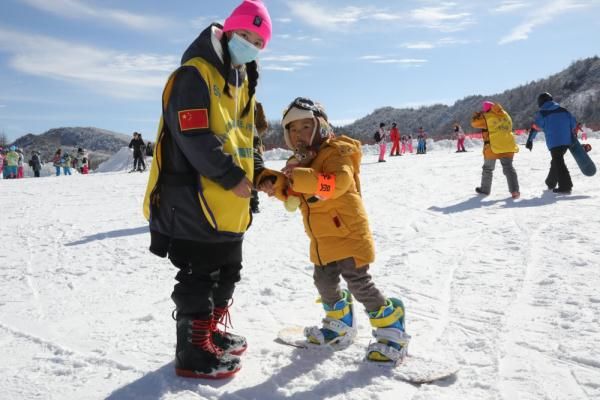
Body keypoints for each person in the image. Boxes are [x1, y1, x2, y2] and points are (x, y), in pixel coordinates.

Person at [141, 0, 272, 379]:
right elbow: (192, 135)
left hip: (231, 202)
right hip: (195, 196)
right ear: (229, 30)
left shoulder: (242, 76)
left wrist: (258, 174)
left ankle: (209, 332)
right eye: (246, 35)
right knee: (201, 274)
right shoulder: (193, 75)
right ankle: (192, 351)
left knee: (228, 269)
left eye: (259, 42)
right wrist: (232, 176)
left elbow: (247, 137)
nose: (251, 45)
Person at [258, 97, 410, 363]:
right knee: (324, 282)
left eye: (306, 127)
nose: (299, 134)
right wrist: (275, 183)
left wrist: (302, 177)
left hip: (348, 232)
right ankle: (339, 325)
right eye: (293, 130)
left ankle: (392, 331)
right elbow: (297, 192)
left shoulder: (337, 151)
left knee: (359, 283)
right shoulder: (300, 160)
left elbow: (337, 184)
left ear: (321, 127)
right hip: (322, 238)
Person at [526, 92, 576, 194]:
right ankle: (551, 182)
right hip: (566, 142)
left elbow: (535, 127)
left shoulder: (543, 113)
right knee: (556, 161)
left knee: (559, 162)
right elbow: (573, 123)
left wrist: (530, 140)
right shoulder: (564, 110)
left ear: (541, 102)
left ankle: (566, 186)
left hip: (554, 142)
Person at [471, 100, 520, 198]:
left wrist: (478, 116)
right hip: (508, 145)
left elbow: (474, 124)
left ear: (486, 110)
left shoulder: (486, 117)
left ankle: (485, 190)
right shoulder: (506, 115)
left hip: (492, 147)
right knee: (509, 168)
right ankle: (515, 191)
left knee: (488, 169)